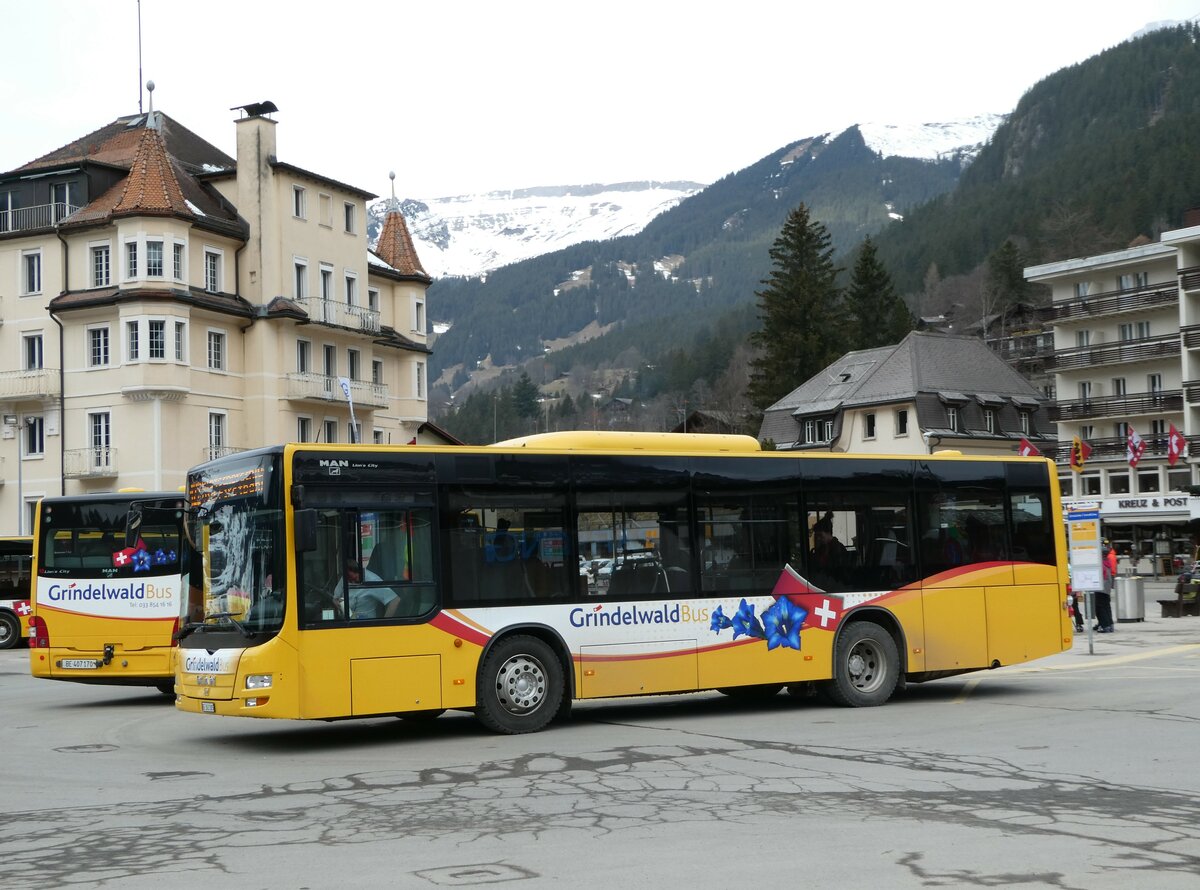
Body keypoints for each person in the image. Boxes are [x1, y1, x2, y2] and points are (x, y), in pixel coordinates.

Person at [333, 559, 400, 619]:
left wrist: (384, 623)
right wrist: (339, 604)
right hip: (348, 621)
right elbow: (335, 598)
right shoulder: (346, 578)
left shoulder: (372, 580)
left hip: (366, 623)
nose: (352, 582)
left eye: (354, 579)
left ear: (359, 571)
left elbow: (395, 600)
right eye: (349, 581)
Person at [809, 511, 849, 588]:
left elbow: (839, 570)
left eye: (820, 535)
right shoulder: (821, 549)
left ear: (828, 532)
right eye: (817, 536)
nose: (818, 538)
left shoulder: (838, 548)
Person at [1094, 542, 1117, 633]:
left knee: (1100, 607)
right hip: (1106, 588)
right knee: (1106, 606)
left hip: (1100, 588)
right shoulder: (1107, 561)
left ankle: (1105, 626)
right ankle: (1110, 625)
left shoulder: (1100, 563)